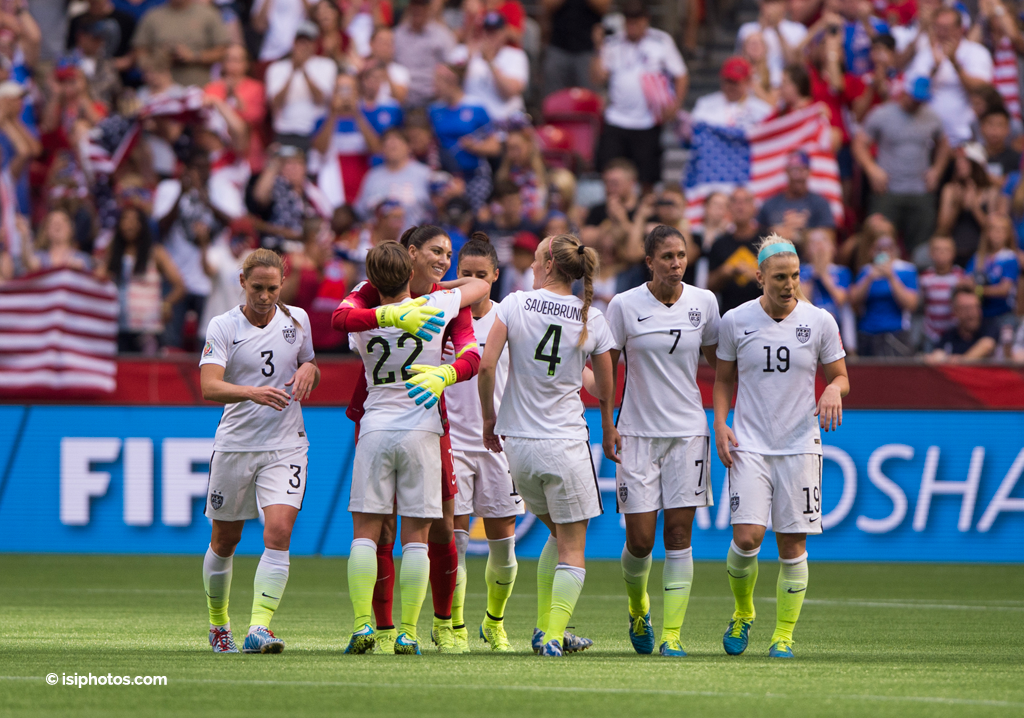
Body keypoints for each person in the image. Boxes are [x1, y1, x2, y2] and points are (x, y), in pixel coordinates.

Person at [331, 224, 482, 655]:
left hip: (375, 427)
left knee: (366, 534)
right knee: (417, 536)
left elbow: (340, 318)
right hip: (423, 429)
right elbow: (473, 344)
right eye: (436, 252)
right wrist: (445, 373)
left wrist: (390, 313)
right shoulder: (439, 305)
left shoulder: (363, 308)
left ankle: (363, 626)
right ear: (411, 257)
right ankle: (409, 633)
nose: (443, 259)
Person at [478, 233, 619, 657]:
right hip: (565, 444)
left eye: (537, 258)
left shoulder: (515, 304)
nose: (533, 265)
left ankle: (545, 629)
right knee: (574, 545)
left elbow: (487, 367)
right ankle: (554, 635)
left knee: (558, 534)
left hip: (518, 446)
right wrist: (609, 425)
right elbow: (605, 386)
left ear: (548, 265)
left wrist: (490, 416)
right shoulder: (591, 316)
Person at [713, 234, 849, 659]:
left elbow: (840, 376)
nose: (788, 284)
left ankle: (784, 635)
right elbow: (722, 380)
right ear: (760, 277)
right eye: (779, 277)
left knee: (792, 546)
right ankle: (743, 611)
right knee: (748, 538)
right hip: (750, 443)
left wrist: (834, 390)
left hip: (800, 445)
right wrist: (720, 421)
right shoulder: (735, 321)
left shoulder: (820, 321)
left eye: (794, 276)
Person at [603, 224, 720, 658]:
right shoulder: (624, 305)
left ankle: (672, 634)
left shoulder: (705, 303)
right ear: (648, 261)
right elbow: (607, 367)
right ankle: (639, 608)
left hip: (688, 432)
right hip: (635, 432)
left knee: (678, 533)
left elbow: (720, 364)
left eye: (681, 255)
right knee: (640, 540)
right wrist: (607, 424)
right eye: (666, 256)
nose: (675, 263)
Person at [198, 248, 321, 655]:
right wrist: (251, 392)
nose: (265, 296)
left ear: (281, 284)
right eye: (257, 288)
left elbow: (311, 367)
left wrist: (310, 369)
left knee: (279, 531)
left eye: (272, 288)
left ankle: (260, 628)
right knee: (225, 539)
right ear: (242, 283)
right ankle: (219, 625)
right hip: (236, 445)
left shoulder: (297, 319)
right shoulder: (223, 326)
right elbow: (208, 386)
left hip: (286, 443)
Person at [442, 233, 524, 654]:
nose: (471, 281)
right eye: (464, 274)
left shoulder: (507, 319)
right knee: (454, 541)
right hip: (452, 443)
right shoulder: (440, 318)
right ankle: (453, 626)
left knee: (503, 548)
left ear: (495, 276)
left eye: (480, 274)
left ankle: (494, 622)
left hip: (498, 444)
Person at [592, 0, 687, 188]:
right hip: (617, 118)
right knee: (611, 171)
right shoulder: (613, 43)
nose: (632, 24)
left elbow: (681, 75)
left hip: (647, 120)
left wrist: (675, 105)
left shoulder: (661, 41)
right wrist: (598, 46)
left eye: (637, 19)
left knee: (647, 177)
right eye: (629, 19)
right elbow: (598, 77)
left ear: (646, 20)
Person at [853, 75, 949, 256]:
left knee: (922, 246)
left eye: (921, 100)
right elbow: (859, 143)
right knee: (879, 240)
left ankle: (917, 279)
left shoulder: (931, 117)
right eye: (914, 98)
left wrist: (937, 170)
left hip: (919, 189)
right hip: (888, 188)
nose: (917, 103)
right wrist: (872, 169)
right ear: (904, 93)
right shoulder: (882, 114)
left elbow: (945, 144)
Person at [96, 205, 185, 354]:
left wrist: (166, 304)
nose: (129, 225)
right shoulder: (113, 253)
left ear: (142, 225)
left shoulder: (156, 253)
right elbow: (98, 278)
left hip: (148, 329)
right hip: (118, 327)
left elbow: (180, 286)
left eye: (134, 221)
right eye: (125, 220)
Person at [904, 6, 994, 147]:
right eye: (937, 28)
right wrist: (934, 69)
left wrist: (954, 63)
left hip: (966, 136)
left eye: (945, 28)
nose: (941, 33)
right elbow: (913, 96)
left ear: (960, 29)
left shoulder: (976, 52)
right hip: (930, 138)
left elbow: (982, 91)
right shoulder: (926, 54)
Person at [265, 21, 338, 147]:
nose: (303, 46)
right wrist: (293, 71)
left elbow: (321, 99)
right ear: (293, 43)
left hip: (315, 130)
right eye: (300, 41)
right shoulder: (276, 68)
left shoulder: (327, 65)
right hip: (285, 130)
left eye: (308, 41)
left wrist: (303, 69)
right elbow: (275, 103)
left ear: (315, 44)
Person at [849, 232, 920, 356]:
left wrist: (891, 277)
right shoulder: (866, 271)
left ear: (895, 251)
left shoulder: (907, 270)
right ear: (872, 252)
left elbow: (911, 304)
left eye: (888, 248)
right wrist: (868, 278)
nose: (883, 252)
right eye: (879, 249)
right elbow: (853, 300)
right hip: (868, 332)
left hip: (896, 332)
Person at [132, 0, 229, 87]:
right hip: (159, 92)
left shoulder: (208, 14)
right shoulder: (153, 15)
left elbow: (223, 51)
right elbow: (139, 50)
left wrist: (193, 56)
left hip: (199, 88)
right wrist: (160, 58)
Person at [355, 129, 433, 230]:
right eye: (387, 141)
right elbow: (360, 211)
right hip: (381, 242)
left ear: (408, 147)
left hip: (415, 238)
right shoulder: (372, 176)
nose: (392, 143)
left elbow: (436, 207)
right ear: (382, 148)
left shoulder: (425, 174)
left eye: (397, 140)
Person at [756, 150, 836, 249]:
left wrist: (798, 236)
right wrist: (774, 233)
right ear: (786, 171)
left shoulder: (820, 203)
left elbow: (830, 236)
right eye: (794, 170)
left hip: (808, 259)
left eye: (802, 170)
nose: (798, 176)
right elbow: (756, 235)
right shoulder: (770, 204)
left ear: (809, 172)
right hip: (776, 255)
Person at [707, 187, 764, 314]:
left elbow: (780, 282)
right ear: (729, 208)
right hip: (729, 316)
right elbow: (708, 286)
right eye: (735, 202)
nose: (740, 207)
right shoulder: (719, 244)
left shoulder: (768, 242)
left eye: (745, 201)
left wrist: (755, 274)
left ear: (754, 208)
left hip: (764, 316)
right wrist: (725, 271)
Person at [394, 0, 456, 107]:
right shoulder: (398, 35)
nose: (418, 9)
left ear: (428, 8)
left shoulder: (442, 35)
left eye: (422, 6)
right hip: (403, 99)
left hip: (434, 99)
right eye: (415, 5)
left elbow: (451, 67)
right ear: (409, 8)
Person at [964, 213, 1020, 328]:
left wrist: (978, 290)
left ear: (1008, 234)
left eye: (1001, 230)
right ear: (987, 233)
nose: (997, 234)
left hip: (1003, 314)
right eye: (993, 229)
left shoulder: (1009, 258)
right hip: (980, 315)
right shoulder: (978, 257)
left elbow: (1004, 290)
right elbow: (966, 281)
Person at [542, 0, 609, 95]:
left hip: (588, 49)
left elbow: (604, 6)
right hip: (558, 46)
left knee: (588, 99)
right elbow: (546, 5)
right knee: (554, 100)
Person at [690, 56, 773, 130]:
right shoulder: (705, 104)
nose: (730, 86)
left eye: (735, 82)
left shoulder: (762, 111)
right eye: (727, 81)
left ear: (748, 82)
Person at [925, 286, 999, 363]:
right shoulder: (949, 336)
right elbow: (937, 354)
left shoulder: (989, 326)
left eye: (976, 307)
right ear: (955, 311)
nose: (972, 313)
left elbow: (987, 345)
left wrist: (960, 361)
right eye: (966, 309)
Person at [919, 235, 965, 349]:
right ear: (931, 253)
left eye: (946, 250)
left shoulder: (960, 275)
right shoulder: (924, 277)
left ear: (953, 253)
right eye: (937, 250)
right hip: (931, 333)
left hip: (953, 332)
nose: (941, 254)